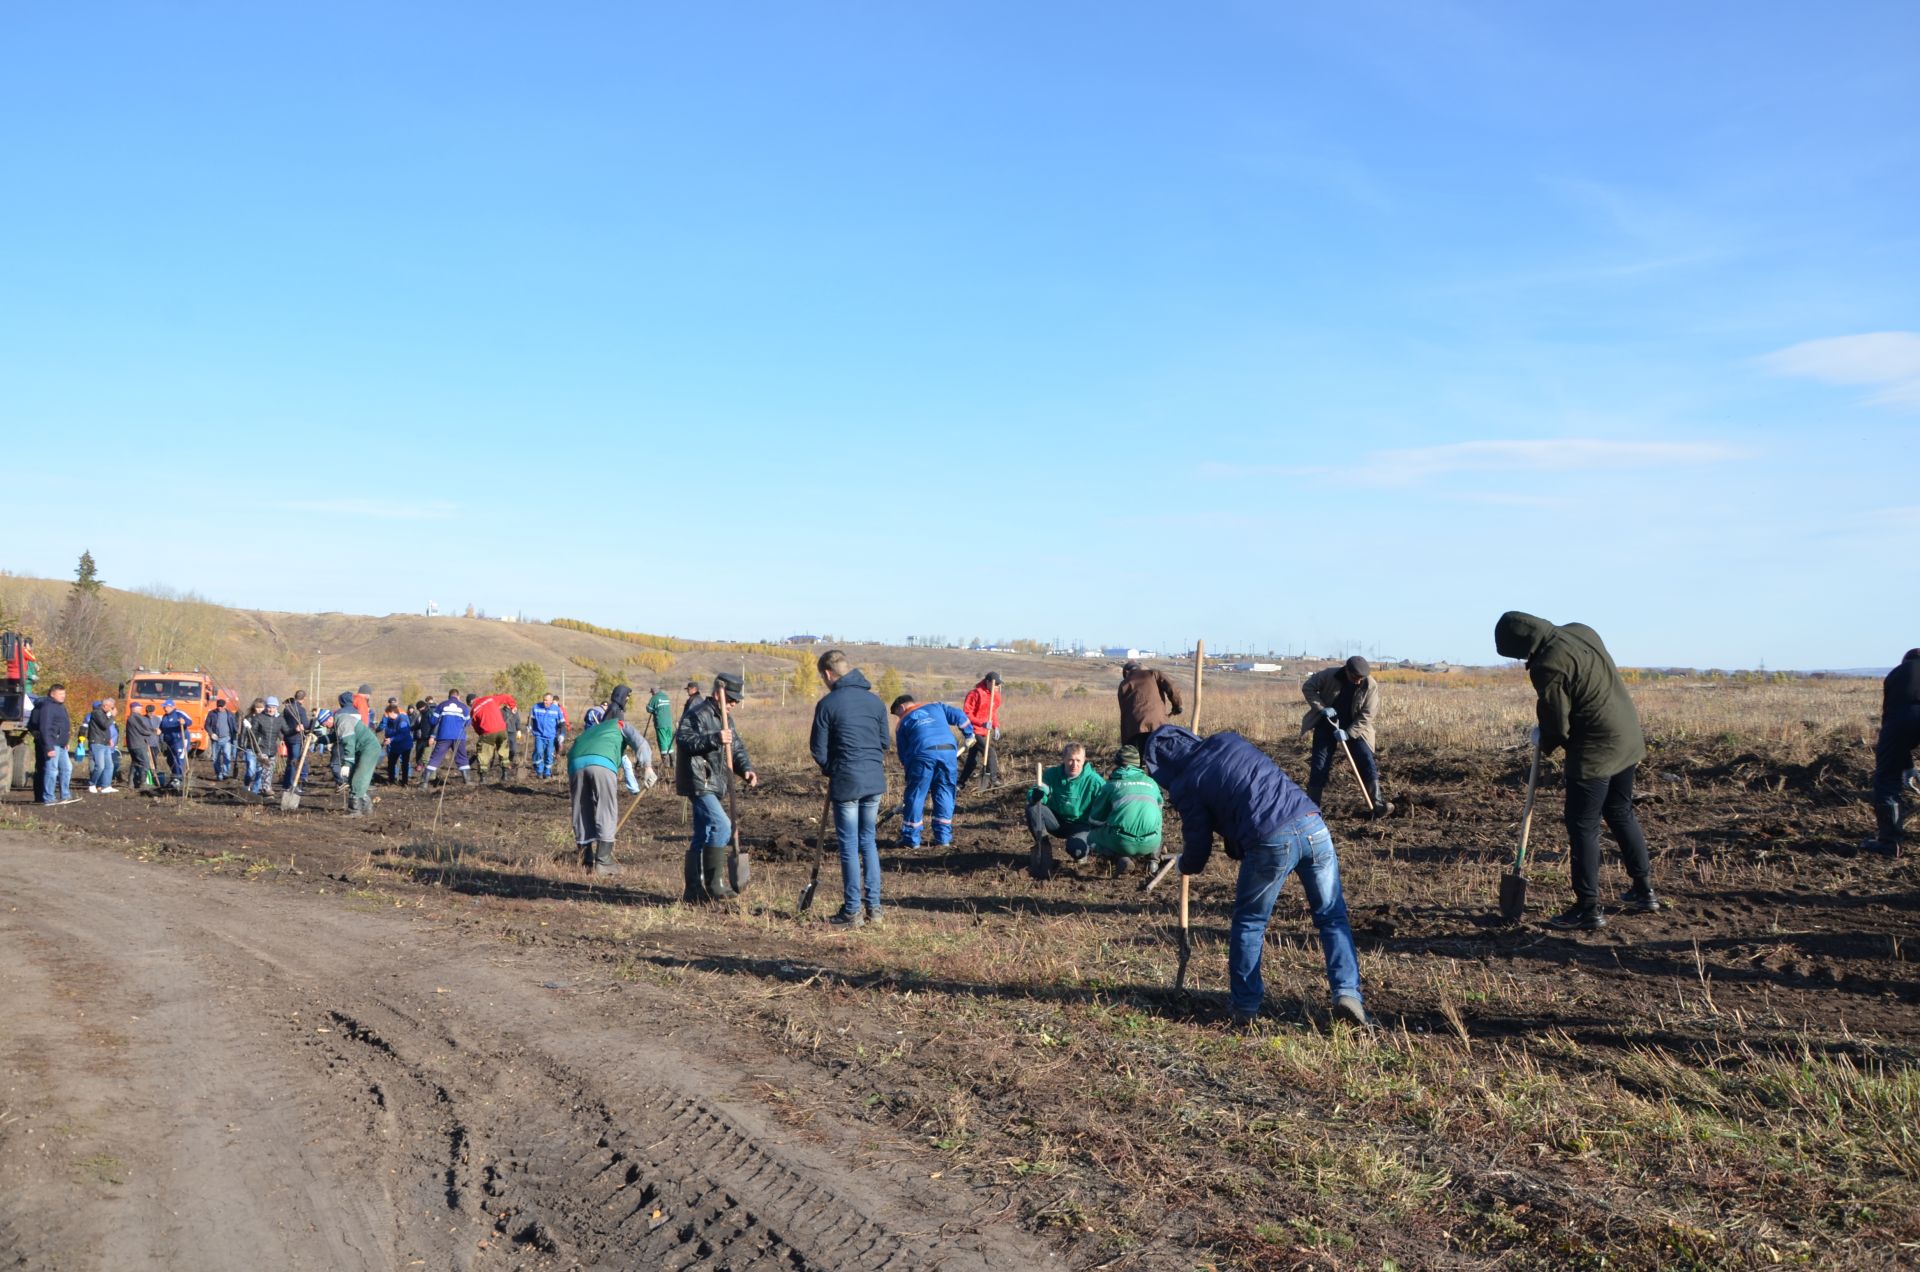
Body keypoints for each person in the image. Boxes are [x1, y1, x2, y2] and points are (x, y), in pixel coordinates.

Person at [1144, 724, 1369, 1029]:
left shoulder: (1185, 784)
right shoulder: (1228, 740)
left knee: (1250, 923)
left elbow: (1198, 846)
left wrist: (1186, 865)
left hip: (1272, 839)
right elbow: (1248, 791)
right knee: (1332, 916)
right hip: (1312, 823)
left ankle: (1244, 1007)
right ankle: (1347, 993)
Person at [1494, 611, 1657, 931]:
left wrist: (1546, 736)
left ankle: (1588, 908)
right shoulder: (1581, 631)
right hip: (1627, 736)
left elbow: (1557, 719)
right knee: (1620, 810)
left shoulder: (1547, 664)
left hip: (1596, 749)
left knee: (1583, 826)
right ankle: (1644, 890)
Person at [809, 650, 892, 926]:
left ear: (829, 674)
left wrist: (833, 768)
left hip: (847, 781)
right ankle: (875, 910)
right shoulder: (876, 702)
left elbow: (818, 750)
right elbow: (884, 743)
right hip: (874, 781)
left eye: (823, 677)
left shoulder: (828, 704)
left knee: (848, 845)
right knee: (868, 842)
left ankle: (852, 911)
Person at [674, 672, 756, 902]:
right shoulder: (697, 714)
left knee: (703, 833)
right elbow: (684, 740)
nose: (733, 704)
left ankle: (693, 891)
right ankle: (714, 884)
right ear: (717, 695)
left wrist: (746, 769)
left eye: (736, 700)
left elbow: (736, 748)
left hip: (714, 782)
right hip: (699, 781)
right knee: (721, 826)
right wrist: (714, 738)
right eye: (730, 699)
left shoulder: (726, 719)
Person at [566, 701, 656, 875]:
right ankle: (604, 861)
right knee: (606, 808)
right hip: (602, 762)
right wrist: (648, 767)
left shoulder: (592, 729)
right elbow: (641, 743)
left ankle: (585, 859)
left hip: (575, 763)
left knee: (581, 808)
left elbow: (573, 749)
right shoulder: (620, 724)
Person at [1299, 656, 1389, 817]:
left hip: (1355, 728)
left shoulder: (1370, 685)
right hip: (1326, 726)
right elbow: (1308, 687)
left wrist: (1348, 733)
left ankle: (1377, 803)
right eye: (1355, 677)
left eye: (1361, 678)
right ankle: (1312, 807)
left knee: (1366, 760)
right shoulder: (1329, 675)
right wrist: (1321, 708)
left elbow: (1368, 714)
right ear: (1346, 670)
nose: (1357, 681)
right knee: (1320, 765)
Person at [890, 694, 973, 850]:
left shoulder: (903, 723)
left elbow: (904, 754)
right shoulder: (937, 706)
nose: (898, 717)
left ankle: (911, 839)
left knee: (916, 795)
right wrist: (969, 734)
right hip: (948, 751)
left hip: (922, 754)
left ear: (901, 707)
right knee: (945, 791)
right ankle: (943, 839)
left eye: (897, 714)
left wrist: (911, 780)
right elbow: (960, 716)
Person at [1025, 742, 1107, 880]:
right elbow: (1040, 789)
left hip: (1081, 826)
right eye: (1070, 760)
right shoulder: (1052, 775)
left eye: (1078, 760)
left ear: (1084, 760)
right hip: (1057, 821)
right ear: (1063, 759)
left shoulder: (1095, 781)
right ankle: (1043, 847)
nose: (1074, 764)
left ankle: (1082, 855)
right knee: (1032, 807)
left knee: (1077, 849)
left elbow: (1105, 807)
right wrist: (1036, 795)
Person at [1866, 648, 1920, 855]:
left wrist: (1904, 765)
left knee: (1887, 779)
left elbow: (1894, 719)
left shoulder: (1896, 675)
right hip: (1903, 717)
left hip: (1900, 720)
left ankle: (1890, 843)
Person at [1087, 744, 1164, 873]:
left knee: (1090, 838)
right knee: (1158, 831)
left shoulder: (1111, 786)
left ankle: (1119, 859)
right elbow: (1159, 813)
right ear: (1138, 764)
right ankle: (1153, 862)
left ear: (1117, 763)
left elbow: (1096, 820)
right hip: (1151, 842)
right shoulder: (1152, 783)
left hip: (1122, 842)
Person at [332, 692, 383, 816]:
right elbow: (335, 736)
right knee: (353, 778)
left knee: (358, 778)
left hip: (369, 748)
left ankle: (355, 810)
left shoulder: (343, 721)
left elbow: (349, 742)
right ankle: (366, 806)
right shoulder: (339, 720)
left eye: (324, 723)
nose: (325, 726)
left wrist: (347, 764)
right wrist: (318, 739)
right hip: (361, 748)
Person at [1117, 660, 1184, 749]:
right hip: (1157, 724)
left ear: (1126, 672)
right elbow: (1171, 687)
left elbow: (1124, 715)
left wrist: (1125, 744)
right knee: (1159, 753)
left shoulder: (1123, 685)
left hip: (1135, 729)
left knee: (1141, 757)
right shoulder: (1153, 674)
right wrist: (1177, 705)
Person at [26, 683, 74, 805]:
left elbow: (62, 726)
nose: (64, 696)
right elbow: (45, 727)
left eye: (64, 694)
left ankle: (65, 795)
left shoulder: (60, 706)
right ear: (52, 694)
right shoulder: (48, 707)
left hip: (61, 744)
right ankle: (49, 797)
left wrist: (65, 741)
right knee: (51, 770)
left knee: (67, 768)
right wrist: (49, 747)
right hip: (52, 744)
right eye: (61, 694)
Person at [956, 671, 1004, 790]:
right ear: (988, 682)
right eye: (996, 685)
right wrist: (981, 723)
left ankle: (960, 783)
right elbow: (966, 714)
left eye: (999, 685)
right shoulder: (975, 694)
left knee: (972, 760)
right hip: (972, 730)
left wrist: (996, 726)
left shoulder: (996, 696)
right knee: (990, 752)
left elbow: (992, 713)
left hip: (984, 730)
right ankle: (993, 779)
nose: (998, 687)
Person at [420, 689, 475, 785]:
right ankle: (468, 781)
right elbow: (468, 723)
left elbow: (433, 721)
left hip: (443, 736)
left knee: (435, 758)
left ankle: (424, 783)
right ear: (458, 696)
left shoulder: (441, 705)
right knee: (462, 757)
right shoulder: (463, 707)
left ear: (449, 696)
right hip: (459, 737)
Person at [239, 698, 282, 796]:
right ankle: (246, 784)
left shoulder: (266, 718)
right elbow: (243, 734)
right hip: (250, 748)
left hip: (261, 748)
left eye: (261, 708)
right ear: (254, 708)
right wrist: (241, 747)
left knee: (260, 770)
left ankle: (254, 793)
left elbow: (274, 730)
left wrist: (281, 738)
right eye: (257, 708)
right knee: (251, 769)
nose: (259, 710)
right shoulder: (249, 718)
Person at [469, 691, 514, 781]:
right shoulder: (490, 699)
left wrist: (482, 736)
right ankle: (505, 775)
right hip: (502, 730)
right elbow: (506, 696)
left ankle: (483, 778)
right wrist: (513, 706)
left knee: (483, 754)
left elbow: (476, 727)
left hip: (487, 732)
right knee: (504, 751)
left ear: (470, 702)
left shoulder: (473, 710)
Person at [158, 699, 194, 791]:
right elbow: (162, 727)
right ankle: (174, 776)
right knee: (170, 760)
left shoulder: (179, 713)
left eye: (166, 707)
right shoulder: (165, 717)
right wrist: (159, 730)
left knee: (178, 758)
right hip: (170, 741)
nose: (165, 709)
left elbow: (189, 721)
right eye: (164, 707)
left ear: (172, 706)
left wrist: (184, 722)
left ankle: (178, 778)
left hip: (180, 740)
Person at [280, 689, 311, 792]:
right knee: (295, 761)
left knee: (290, 760)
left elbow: (283, 724)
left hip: (287, 737)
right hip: (296, 739)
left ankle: (286, 784)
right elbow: (305, 725)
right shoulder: (300, 710)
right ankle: (293, 784)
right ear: (304, 698)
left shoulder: (286, 709)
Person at [85, 697, 118, 793]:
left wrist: (109, 739)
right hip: (97, 742)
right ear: (106, 705)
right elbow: (104, 725)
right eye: (112, 707)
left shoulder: (104, 714)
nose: (112, 709)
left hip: (105, 742)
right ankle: (92, 784)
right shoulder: (96, 713)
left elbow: (106, 729)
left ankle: (106, 785)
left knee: (109, 766)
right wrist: (112, 716)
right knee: (100, 766)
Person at [126, 702, 161, 791]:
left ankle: (131, 783)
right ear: (135, 708)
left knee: (135, 763)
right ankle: (143, 783)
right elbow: (143, 730)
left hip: (133, 744)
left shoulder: (131, 718)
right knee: (145, 762)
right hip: (138, 744)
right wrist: (154, 731)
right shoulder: (135, 717)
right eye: (140, 707)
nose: (141, 709)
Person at [529, 693, 564, 779]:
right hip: (539, 735)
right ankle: (539, 771)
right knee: (538, 752)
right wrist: (529, 726)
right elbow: (530, 718)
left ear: (551, 701)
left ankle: (547, 772)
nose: (545, 702)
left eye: (547, 700)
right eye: (544, 700)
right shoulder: (536, 707)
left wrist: (562, 734)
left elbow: (562, 723)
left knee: (549, 755)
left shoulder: (557, 710)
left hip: (551, 737)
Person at [204, 697, 238, 781]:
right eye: (218, 706)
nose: (220, 708)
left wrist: (235, 737)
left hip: (227, 738)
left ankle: (225, 773)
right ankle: (219, 773)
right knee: (215, 758)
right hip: (216, 739)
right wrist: (211, 733)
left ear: (225, 706)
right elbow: (207, 725)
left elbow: (234, 727)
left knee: (227, 755)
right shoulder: (212, 714)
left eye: (222, 706)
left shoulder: (230, 714)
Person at [381, 700, 414, 785]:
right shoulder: (391, 720)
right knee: (391, 762)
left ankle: (404, 782)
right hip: (395, 745)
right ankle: (391, 780)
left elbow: (403, 734)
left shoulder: (402, 720)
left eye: (388, 713)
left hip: (405, 745)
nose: (387, 715)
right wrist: (387, 739)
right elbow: (390, 731)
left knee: (404, 764)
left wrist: (391, 739)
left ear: (393, 712)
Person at [646, 686, 675, 762]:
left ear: (654, 692)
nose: (651, 694)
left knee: (662, 741)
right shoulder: (666, 696)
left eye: (652, 693)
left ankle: (666, 764)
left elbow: (648, 709)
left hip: (660, 722)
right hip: (668, 722)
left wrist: (654, 711)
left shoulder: (655, 698)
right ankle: (673, 762)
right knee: (669, 740)